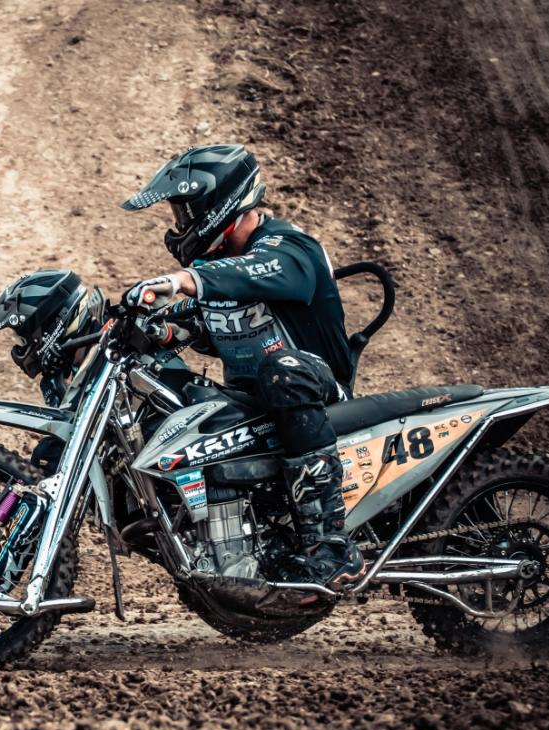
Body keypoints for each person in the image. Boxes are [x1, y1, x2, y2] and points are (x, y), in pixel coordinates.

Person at [120, 144, 365, 590]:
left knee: (282, 370)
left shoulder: (289, 246)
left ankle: (332, 547)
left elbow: (256, 271)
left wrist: (184, 280)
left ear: (219, 205)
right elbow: (197, 323)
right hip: (255, 404)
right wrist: (158, 330)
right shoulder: (218, 270)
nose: (180, 224)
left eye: (184, 212)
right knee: (184, 397)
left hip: (318, 394)